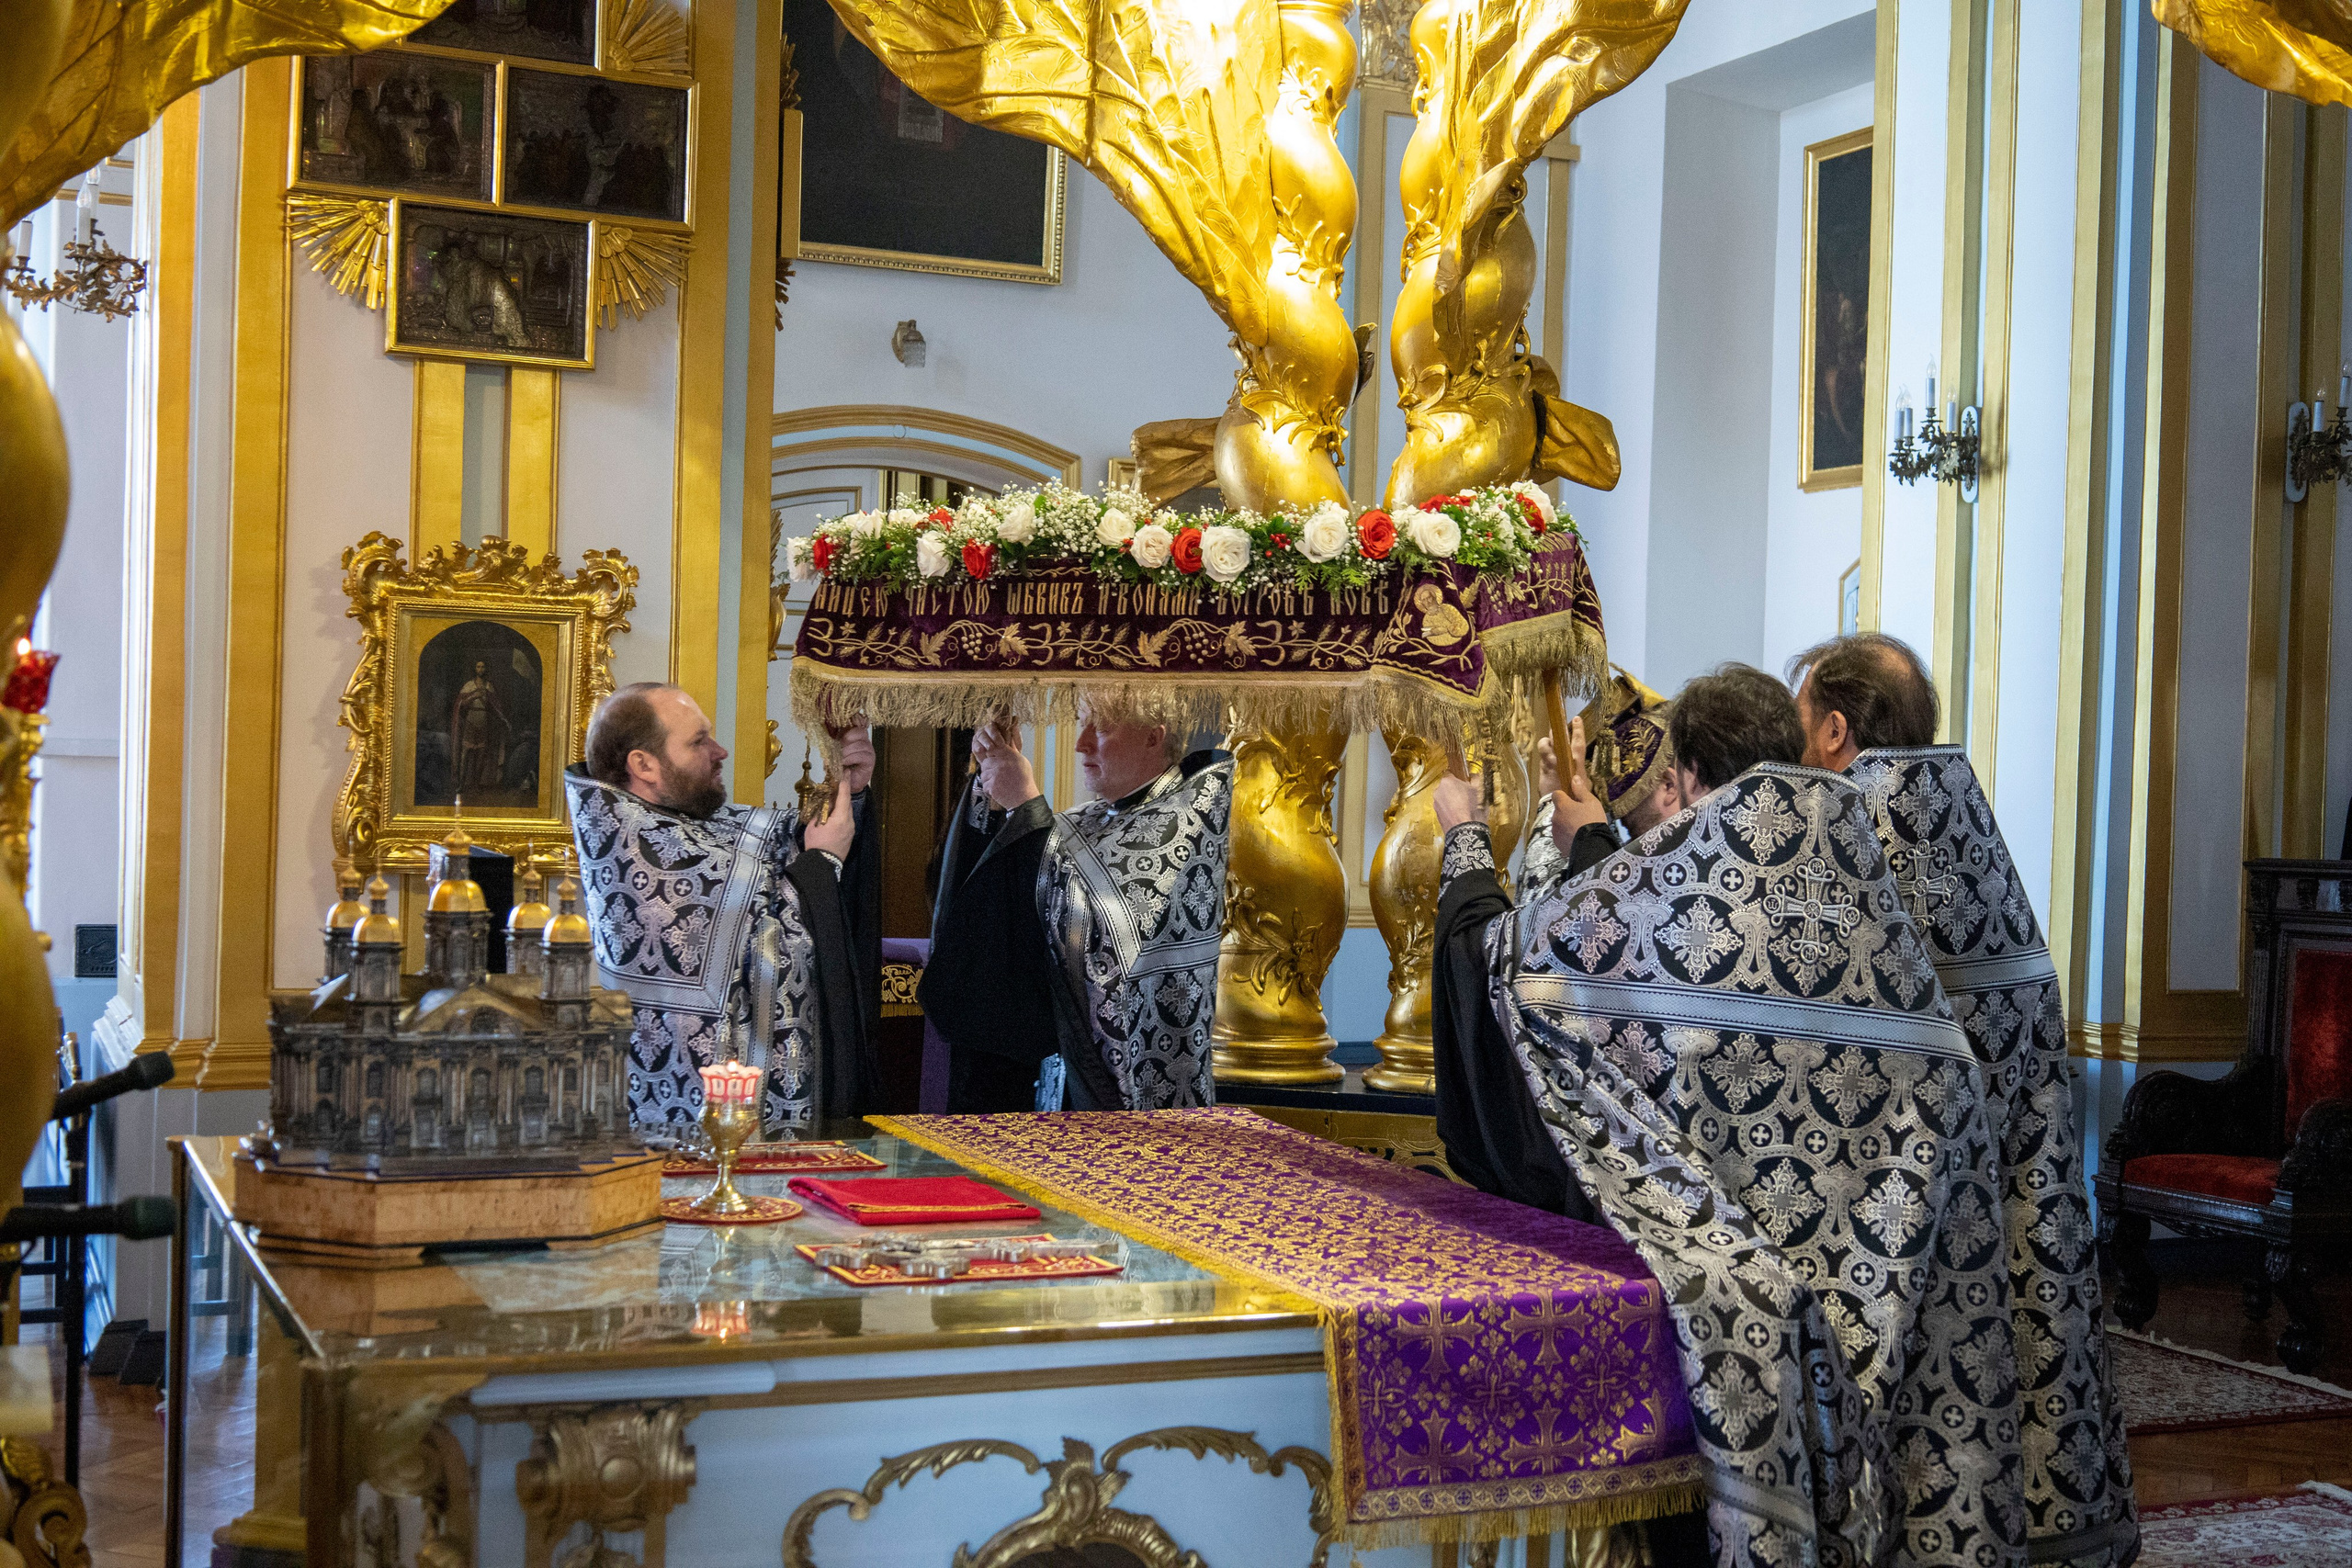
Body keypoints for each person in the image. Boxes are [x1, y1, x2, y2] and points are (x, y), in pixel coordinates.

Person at [1432, 662, 2027, 1566]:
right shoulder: (1873, 891)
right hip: (1883, 1303)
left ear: (1680, 778)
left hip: (1731, 1326)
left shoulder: (1676, 902)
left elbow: (1498, 975)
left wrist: (1465, 841)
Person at [1792, 634, 2138, 1567]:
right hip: (2021, 1182)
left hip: (1915, 1223)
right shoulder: (1958, 817)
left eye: (1798, 724)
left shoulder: (1846, 831)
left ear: (1833, 728)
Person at [564, 682, 878, 1134]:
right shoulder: (639, 854)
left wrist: (850, 787)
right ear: (644, 764)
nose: (720, 750)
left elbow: (788, 849)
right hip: (693, 1130)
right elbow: (772, 943)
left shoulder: (686, 822)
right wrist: (823, 863)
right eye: (698, 741)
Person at [922, 703, 1233, 1112]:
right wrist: (993, 802)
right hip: (1054, 1085)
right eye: (1082, 725)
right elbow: (1006, 910)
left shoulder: (1184, 828)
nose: (1081, 745)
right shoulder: (1082, 820)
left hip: (1142, 1105)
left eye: (1100, 729)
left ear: (1154, 737)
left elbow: (1101, 936)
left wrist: (1026, 808)